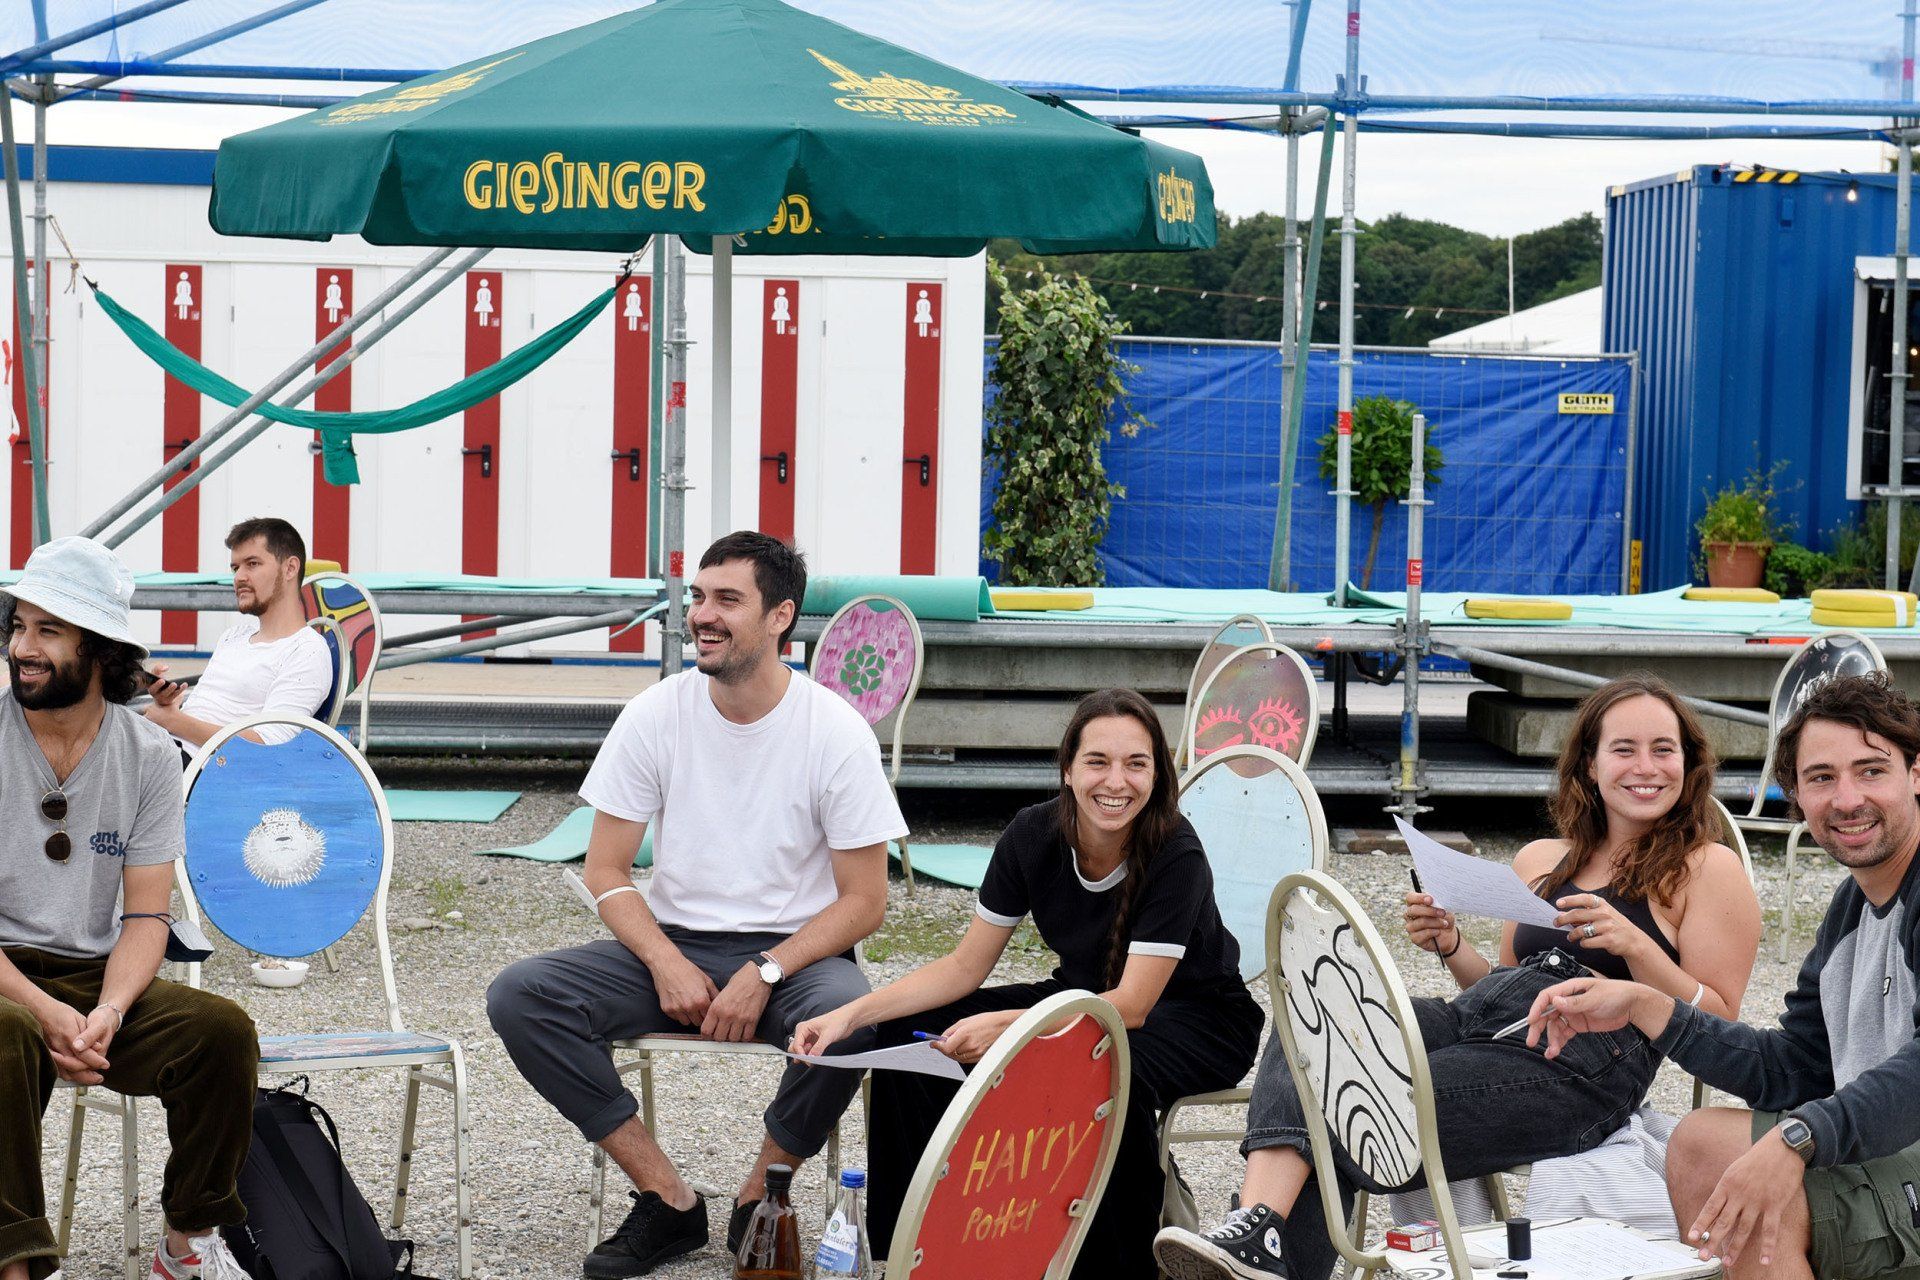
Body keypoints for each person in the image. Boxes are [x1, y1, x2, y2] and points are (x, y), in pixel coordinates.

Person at [1154, 674, 1762, 1280]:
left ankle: (1260, 1240)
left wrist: (1637, 948)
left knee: (1360, 1105)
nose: (1646, 767)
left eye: (1663, 749)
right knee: (1314, 1027)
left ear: (1688, 763)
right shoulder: (1542, 858)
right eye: (1624, 749)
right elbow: (1503, 983)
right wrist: (1451, 945)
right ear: (1590, 764)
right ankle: (1259, 1230)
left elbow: (1720, 1021)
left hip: (1582, 1059)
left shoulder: (1706, 867)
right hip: (1483, 1020)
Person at [486, 531, 906, 1280]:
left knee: (851, 1021)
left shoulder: (834, 730)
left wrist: (768, 970)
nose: (702, 616)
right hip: (676, 943)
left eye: (727, 600)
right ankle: (668, 1200)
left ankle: (762, 1199)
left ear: (780, 617)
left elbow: (865, 902)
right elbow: (606, 869)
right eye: (699, 598)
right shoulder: (657, 713)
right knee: (522, 996)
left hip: (797, 955)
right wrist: (664, 961)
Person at [793, 687, 1264, 1280]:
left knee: (1104, 1067)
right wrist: (853, 1014)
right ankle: (915, 1249)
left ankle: (1118, 1264)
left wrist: (1011, 1029)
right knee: (909, 1033)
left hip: (1198, 1019)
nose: (1115, 781)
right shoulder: (1033, 834)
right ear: (1068, 768)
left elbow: (1132, 1006)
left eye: (1136, 764)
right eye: (1098, 761)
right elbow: (964, 967)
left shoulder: (1175, 849)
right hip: (1082, 999)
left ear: (1157, 775)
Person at [1524, 672, 1920, 1280]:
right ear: (1795, 794)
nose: (1846, 800)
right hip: (1886, 1148)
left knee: (1760, 1186)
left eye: (1871, 771)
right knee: (1701, 1142)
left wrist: (1800, 1137)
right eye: (1821, 778)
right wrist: (1645, 1006)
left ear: (1915, 774)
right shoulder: (1851, 909)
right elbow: (1794, 1069)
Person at [0, 536, 258, 1280]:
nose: (23, 648)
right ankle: (14, 1265)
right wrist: (44, 1011)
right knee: (7, 1035)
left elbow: (147, 917)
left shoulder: (146, 753)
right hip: (5, 977)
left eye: (48, 630)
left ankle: (186, 1247)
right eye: (18, 626)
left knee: (220, 1033)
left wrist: (108, 1012)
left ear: (100, 650)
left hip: (92, 974)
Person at [143, 517, 332, 752]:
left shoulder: (307, 650)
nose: (239, 577)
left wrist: (173, 721)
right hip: (167, 748)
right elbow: (207, 711)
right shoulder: (233, 636)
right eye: (235, 568)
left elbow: (269, 747)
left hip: (198, 766)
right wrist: (168, 705)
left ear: (290, 568)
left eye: (252, 564)